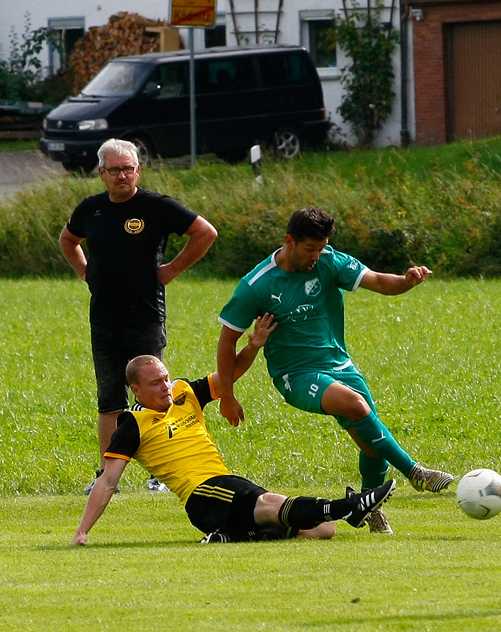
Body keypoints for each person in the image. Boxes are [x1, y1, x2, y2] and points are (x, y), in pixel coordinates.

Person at [216, 206, 453, 536]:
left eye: (322, 247)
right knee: (357, 407)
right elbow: (227, 340)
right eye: (310, 248)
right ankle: (415, 471)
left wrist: (405, 281)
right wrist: (227, 395)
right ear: (289, 241)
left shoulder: (329, 261)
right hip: (295, 375)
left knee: (373, 447)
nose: (316, 255)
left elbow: (377, 281)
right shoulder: (257, 284)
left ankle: (370, 511)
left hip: (341, 365)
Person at [71, 319, 395, 546]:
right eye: (156, 383)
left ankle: (231, 536)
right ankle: (351, 507)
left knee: (323, 530)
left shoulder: (186, 393)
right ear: (136, 390)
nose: (166, 386)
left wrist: (253, 345)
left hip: (227, 485)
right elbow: (108, 481)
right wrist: (83, 531)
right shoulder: (132, 425)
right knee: (273, 507)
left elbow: (229, 376)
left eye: (166, 378)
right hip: (203, 495)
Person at [59, 138, 218, 495]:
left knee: (156, 395)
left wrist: (172, 269)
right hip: (103, 319)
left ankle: (159, 474)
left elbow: (205, 233)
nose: (122, 176)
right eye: (114, 170)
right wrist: (87, 273)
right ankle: (105, 477)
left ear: (138, 170)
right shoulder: (92, 210)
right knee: (109, 398)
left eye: (128, 168)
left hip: (145, 317)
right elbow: (68, 241)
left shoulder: (156, 206)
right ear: (101, 173)